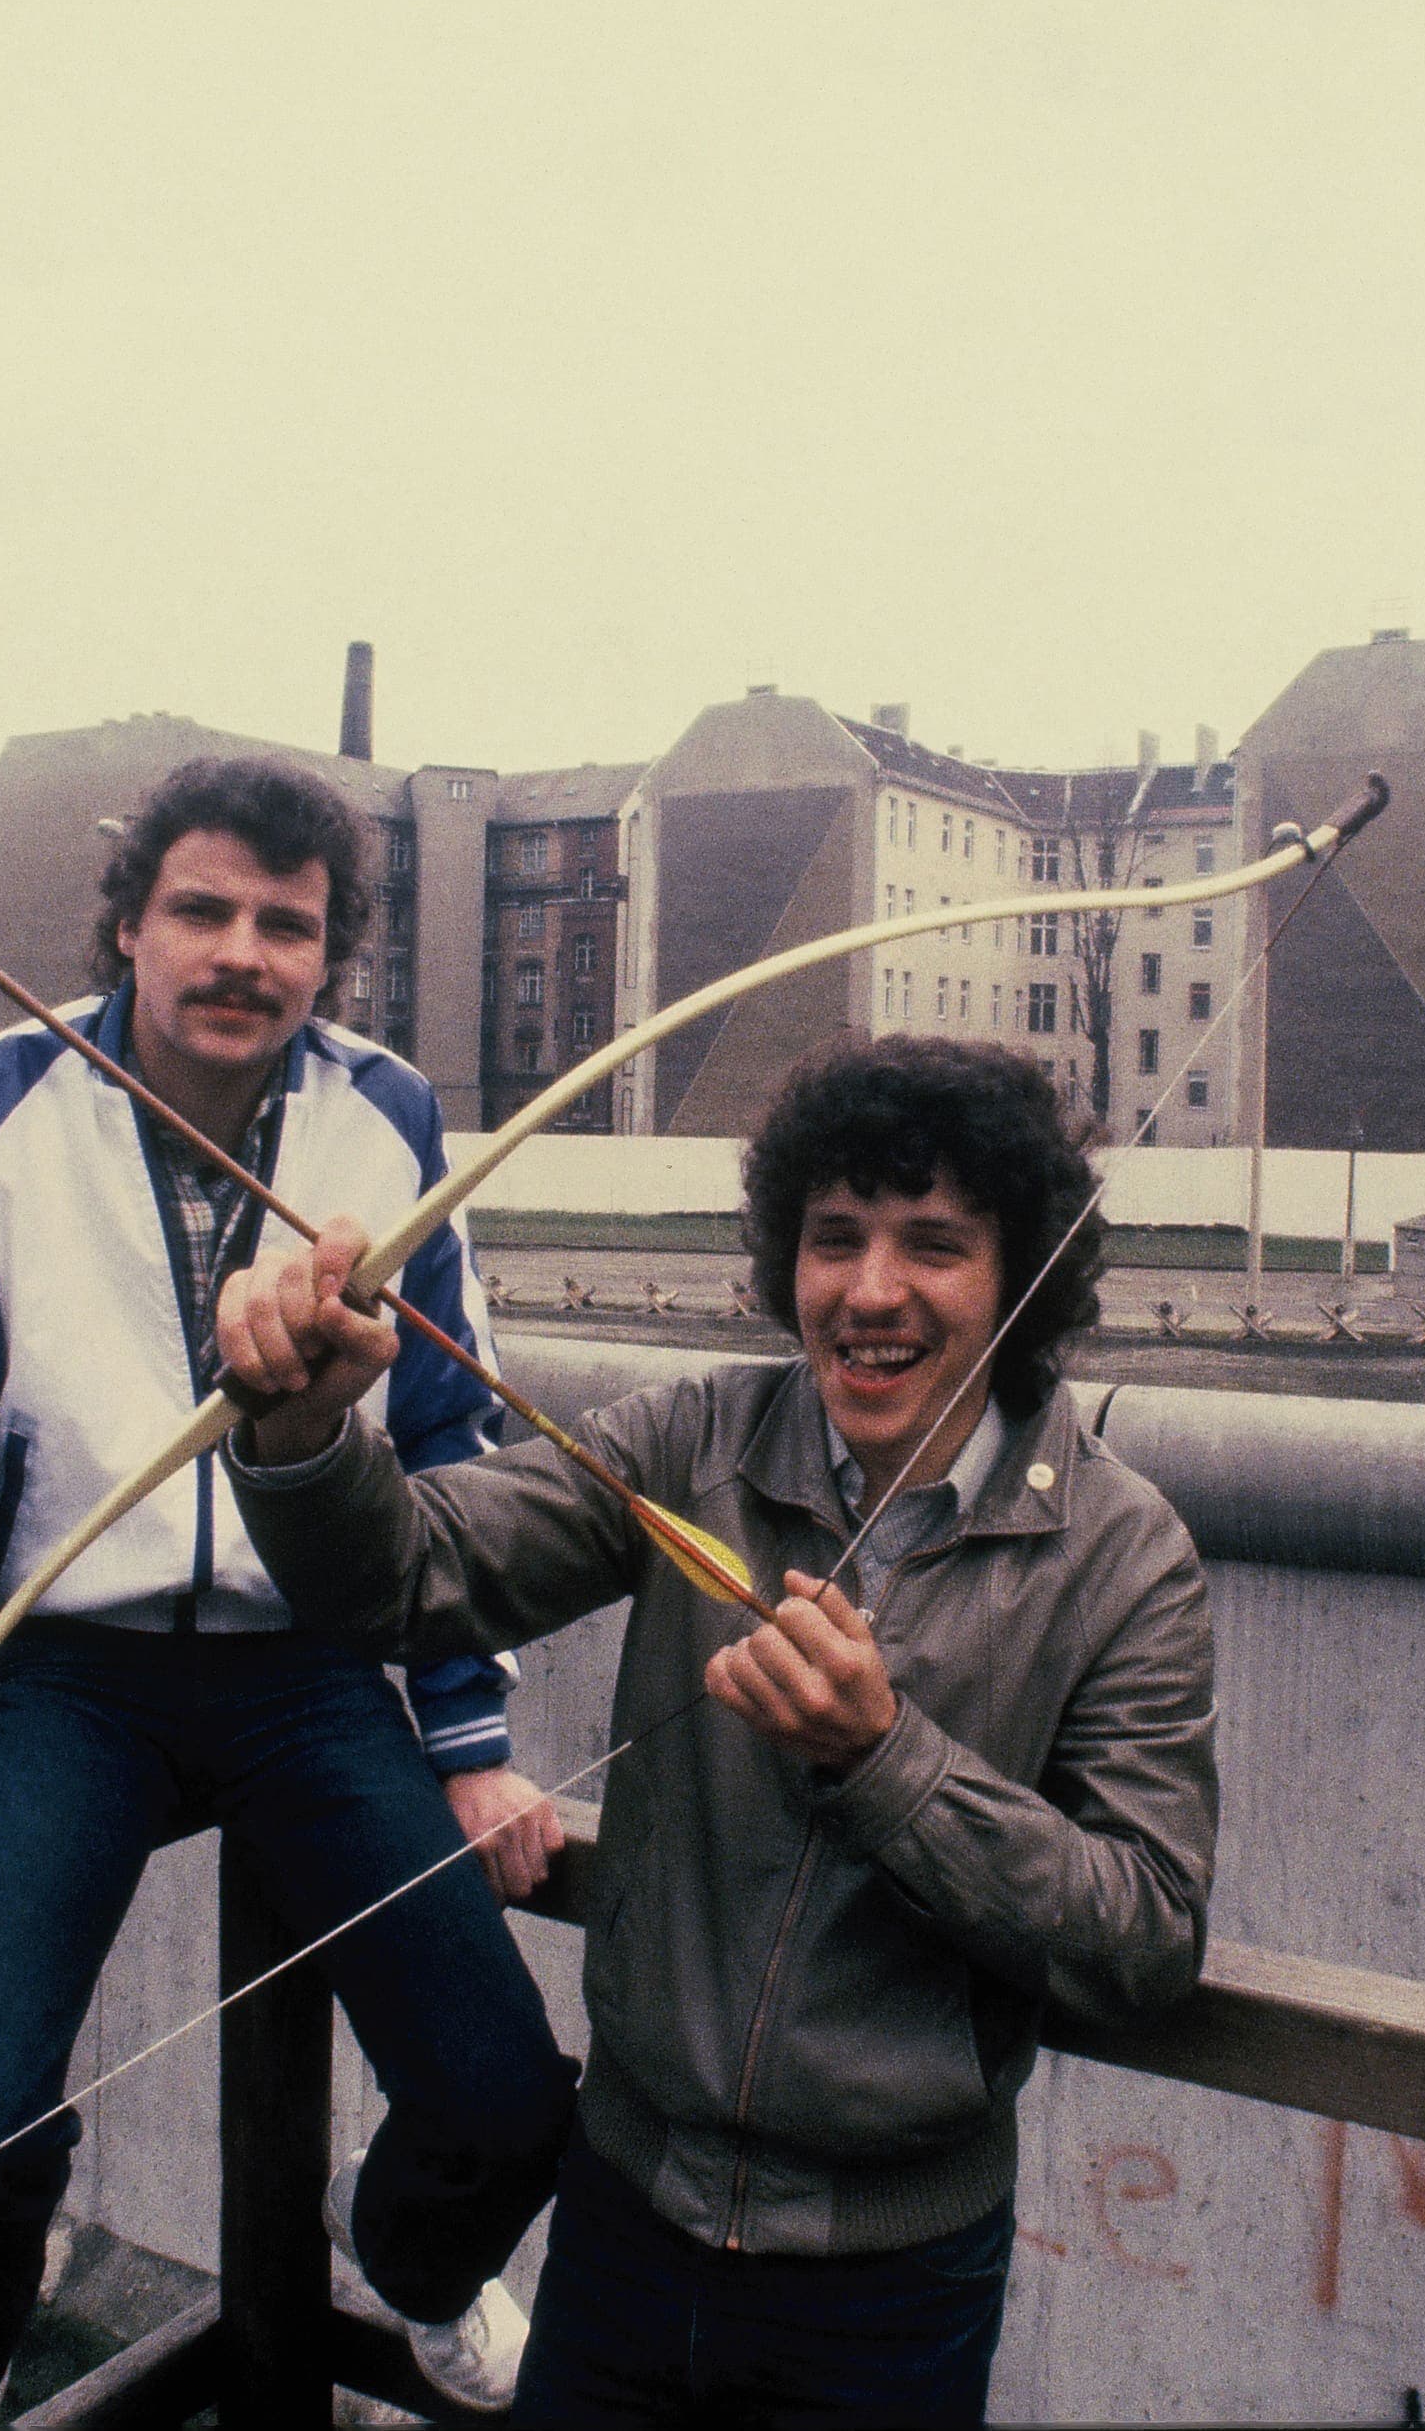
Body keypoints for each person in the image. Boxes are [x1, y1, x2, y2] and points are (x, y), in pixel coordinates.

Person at [214, 1034, 1216, 2428]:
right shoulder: (694, 1437)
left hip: (891, 2286)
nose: (870, 1291)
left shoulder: (1124, 1554)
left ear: (1020, 1272)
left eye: (933, 1244)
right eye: (832, 1238)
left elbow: (1145, 1937)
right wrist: (307, 1436)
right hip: (622, 2220)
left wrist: (885, 1761)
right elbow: (405, 1577)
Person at [0, 755, 578, 2429]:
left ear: (326, 955)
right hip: (68, 1679)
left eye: (285, 926)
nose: (243, 954)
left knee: (504, 2101)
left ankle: (419, 2272)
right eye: (202, 910)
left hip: (311, 1672)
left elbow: (452, 1434)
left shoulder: (387, 1112)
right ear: (128, 925)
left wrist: (468, 1728)